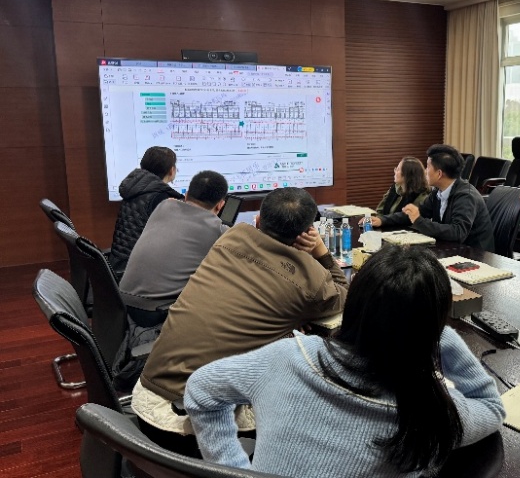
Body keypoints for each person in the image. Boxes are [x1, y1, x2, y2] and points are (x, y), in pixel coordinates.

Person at [184, 245, 505, 477]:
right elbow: (491, 407)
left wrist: (235, 469)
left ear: (353, 303)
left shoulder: (286, 357)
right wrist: (437, 335)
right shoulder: (429, 413)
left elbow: (200, 388)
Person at [132, 187, 348, 456]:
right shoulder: (310, 281)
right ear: (307, 232)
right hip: (190, 427)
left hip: (146, 401)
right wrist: (320, 252)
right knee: (314, 396)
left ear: (257, 220)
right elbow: (345, 296)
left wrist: (284, 323)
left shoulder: (231, 237)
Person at [119, 170, 229, 328]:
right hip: (153, 312)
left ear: (186, 195)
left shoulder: (164, 206)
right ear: (220, 205)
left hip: (121, 303)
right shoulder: (218, 231)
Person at [369, 144, 495, 251]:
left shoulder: (466, 196)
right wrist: (382, 220)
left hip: (475, 255)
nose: (425, 171)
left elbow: (458, 232)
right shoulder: (438, 192)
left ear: (439, 174)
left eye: (428, 167)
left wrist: (419, 221)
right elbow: (417, 214)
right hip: (451, 249)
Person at [109, 146, 183, 274]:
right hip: (139, 272)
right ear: (172, 170)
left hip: (119, 266)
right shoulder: (160, 198)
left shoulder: (135, 189)